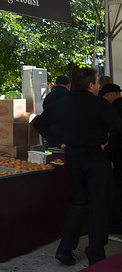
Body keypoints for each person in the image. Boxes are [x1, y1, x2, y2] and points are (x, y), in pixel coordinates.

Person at [34, 68, 122, 266]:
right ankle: (96, 255)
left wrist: (60, 141)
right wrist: (107, 149)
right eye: (97, 83)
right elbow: (118, 129)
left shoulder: (64, 103)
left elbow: (40, 123)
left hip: (73, 157)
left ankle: (65, 249)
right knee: (98, 206)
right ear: (91, 85)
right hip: (96, 158)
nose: (99, 86)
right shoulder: (100, 103)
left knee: (77, 202)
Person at [100, 83, 122, 234]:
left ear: (110, 95)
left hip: (119, 155)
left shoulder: (115, 108)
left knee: (117, 190)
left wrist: (107, 148)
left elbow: (116, 131)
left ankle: (116, 224)